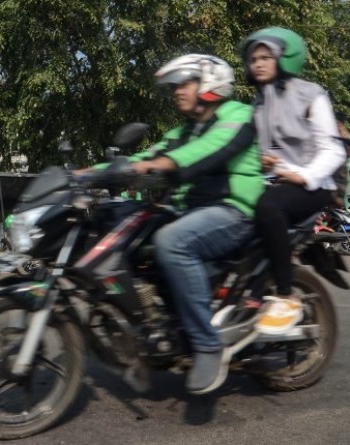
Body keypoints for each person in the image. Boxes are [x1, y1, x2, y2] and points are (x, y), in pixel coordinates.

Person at [88, 54, 264, 394]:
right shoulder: (184, 131)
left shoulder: (239, 116)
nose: (177, 92)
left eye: (184, 84)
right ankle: (153, 323)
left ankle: (207, 344)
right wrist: (86, 174)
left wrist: (152, 167)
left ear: (210, 83)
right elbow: (147, 157)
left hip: (232, 211)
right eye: (175, 86)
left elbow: (203, 152)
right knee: (120, 226)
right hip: (189, 212)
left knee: (173, 241)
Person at [240, 27, 346, 335]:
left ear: (285, 57)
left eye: (265, 57)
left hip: (314, 185)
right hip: (274, 183)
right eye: (253, 59)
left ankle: (286, 295)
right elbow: (260, 150)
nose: (258, 64)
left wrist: (304, 175)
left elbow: (334, 149)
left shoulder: (310, 94)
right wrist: (261, 160)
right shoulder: (258, 103)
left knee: (268, 206)